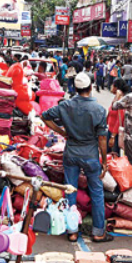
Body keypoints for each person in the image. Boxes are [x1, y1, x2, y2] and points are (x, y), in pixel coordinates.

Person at [42, 73, 111, 243]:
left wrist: (62, 132)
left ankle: (72, 231)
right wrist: (105, 161)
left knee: (69, 191)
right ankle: (98, 231)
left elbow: (45, 116)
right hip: (90, 155)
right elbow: (102, 139)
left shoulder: (66, 105)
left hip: (71, 152)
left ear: (76, 88)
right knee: (96, 193)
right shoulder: (99, 110)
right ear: (91, 88)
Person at [107, 78, 129, 154]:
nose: (111, 86)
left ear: (116, 88)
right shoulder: (116, 99)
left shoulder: (121, 101)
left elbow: (119, 119)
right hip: (110, 130)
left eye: (113, 85)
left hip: (115, 134)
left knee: (114, 156)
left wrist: (112, 136)